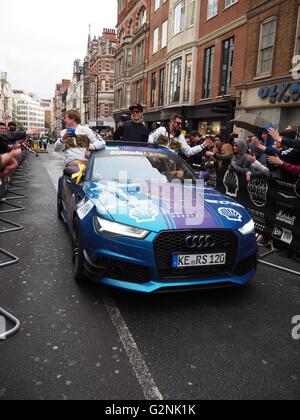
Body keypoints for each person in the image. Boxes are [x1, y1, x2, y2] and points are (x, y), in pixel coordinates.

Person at [149, 114, 213, 158]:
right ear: (171, 121)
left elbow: (188, 152)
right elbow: (149, 139)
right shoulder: (162, 130)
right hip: (156, 163)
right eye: (178, 123)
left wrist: (202, 146)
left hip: (170, 167)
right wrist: (155, 147)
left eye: (181, 124)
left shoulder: (180, 137)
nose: (180, 126)